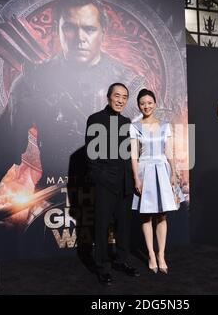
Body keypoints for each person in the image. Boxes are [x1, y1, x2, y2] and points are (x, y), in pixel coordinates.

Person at [0, 0, 143, 242]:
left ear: (103, 32)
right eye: (70, 27)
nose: (79, 37)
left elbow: (144, 145)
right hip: (52, 198)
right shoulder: (33, 81)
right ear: (57, 30)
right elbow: (4, 145)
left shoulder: (130, 84)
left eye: (89, 29)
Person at [85, 83, 140, 286]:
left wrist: (134, 179)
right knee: (101, 227)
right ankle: (102, 267)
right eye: (117, 96)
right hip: (105, 184)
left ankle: (121, 261)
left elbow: (131, 154)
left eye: (124, 97)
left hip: (125, 183)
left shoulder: (127, 122)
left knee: (124, 227)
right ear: (108, 97)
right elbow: (91, 157)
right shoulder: (95, 119)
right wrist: (101, 177)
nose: (120, 100)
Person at [130, 89, 184, 275]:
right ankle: (151, 255)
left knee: (162, 215)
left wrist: (173, 173)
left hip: (162, 170)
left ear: (155, 103)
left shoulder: (165, 126)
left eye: (149, 102)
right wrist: (136, 177)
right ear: (139, 105)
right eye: (142, 103)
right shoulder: (135, 126)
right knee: (146, 216)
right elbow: (134, 155)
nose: (146, 105)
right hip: (145, 170)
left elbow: (169, 151)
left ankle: (161, 255)